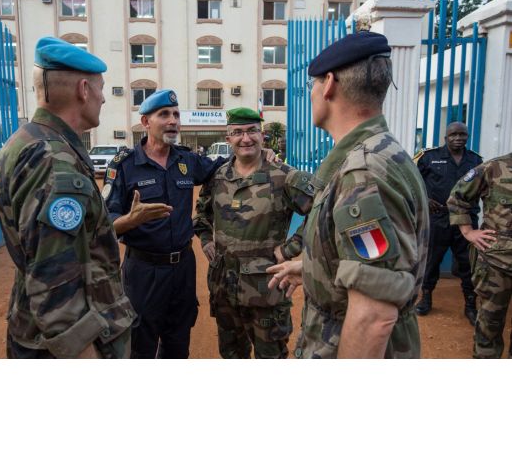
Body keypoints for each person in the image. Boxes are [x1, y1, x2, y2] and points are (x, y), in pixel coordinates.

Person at [267, 31, 429, 358]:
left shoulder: (363, 172)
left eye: (312, 85)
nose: (311, 94)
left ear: (328, 84)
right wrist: (315, 269)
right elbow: (377, 265)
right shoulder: (378, 152)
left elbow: (374, 315)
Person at [103, 91, 278, 358]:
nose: (173, 120)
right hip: (143, 272)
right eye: (164, 114)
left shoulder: (187, 160)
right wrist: (130, 220)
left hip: (182, 269)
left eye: (176, 114)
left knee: (178, 343)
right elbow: (104, 224)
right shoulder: (125, 166)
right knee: (140, 344)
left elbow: (224, 165)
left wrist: (256, 152)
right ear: (146, 122)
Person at [0, 37, 137, 359]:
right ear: (83, 89)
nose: (103, 99)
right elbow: (53, 277)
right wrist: (85, 354)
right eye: (101, 89)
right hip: (74, 345)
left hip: (35, 332)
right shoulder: (54, 161)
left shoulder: (25, 141)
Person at [192, 107, 317, 358]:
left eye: (252, 131)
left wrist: (291, 248)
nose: (245, 138)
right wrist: (206, 239)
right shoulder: (217, 177)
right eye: (237, 132)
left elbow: (323, 209)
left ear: (263, 136)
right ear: (228, 139)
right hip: (224, 289)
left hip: (266, 292)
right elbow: (201, 214)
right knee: (231, 355)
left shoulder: (284, 176)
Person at [414, 122, 482, 324]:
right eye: (454, 134)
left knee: (468, 263)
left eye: (463, 134)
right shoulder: (429, 157)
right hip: (438, 218)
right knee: (431, 260)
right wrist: (424, 199)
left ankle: (470, 305)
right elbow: (411, 180)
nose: (458, 138)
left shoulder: (475, 160)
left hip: (466, 219)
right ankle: (426, 298)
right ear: (446, 137)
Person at [447, 153, 512, 358]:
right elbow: (457, 196)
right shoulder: (493, 168)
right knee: (489, 324)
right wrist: (468, 231)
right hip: (496, 263)